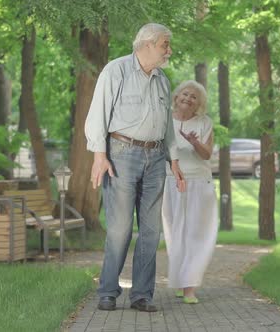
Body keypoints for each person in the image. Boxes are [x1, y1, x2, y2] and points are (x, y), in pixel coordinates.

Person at [84, 23, 185, 313]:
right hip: (121, 155)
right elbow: (97, 115)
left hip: (155, 158)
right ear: (147, 44)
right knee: (120, 229)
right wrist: (98, 156)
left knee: (151, 231)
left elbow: (167, 127)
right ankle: (108, 291)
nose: (169, 50)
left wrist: (174, 160)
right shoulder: (115, 71)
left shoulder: (162, 80)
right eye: (165, 44)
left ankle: (141, 294)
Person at [162, 80, 218, 304]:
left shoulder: (205, 122)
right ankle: (179, 279)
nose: (188, 98)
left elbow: (206, 155)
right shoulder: (164, 120)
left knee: (196, 235)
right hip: (171, 182)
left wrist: (195, 142)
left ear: (199, 104)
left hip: (199, 183)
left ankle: (190, 288)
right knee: (175, 235)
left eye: (194, 97)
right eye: (185, 94)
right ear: (176, 97)